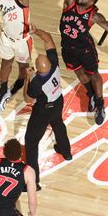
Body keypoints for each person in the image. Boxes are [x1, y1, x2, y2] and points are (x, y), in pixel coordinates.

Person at [23, 25, 73, 190]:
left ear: (37, 70)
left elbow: (27, 99)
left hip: (43, 111)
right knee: (58, 124)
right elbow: (49, 40)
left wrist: (27, 78)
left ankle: (34, 182)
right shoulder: (55, 65)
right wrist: (37, 31)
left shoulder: (37, 82)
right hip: (58, 101)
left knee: (31, 143)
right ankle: (66, 152)